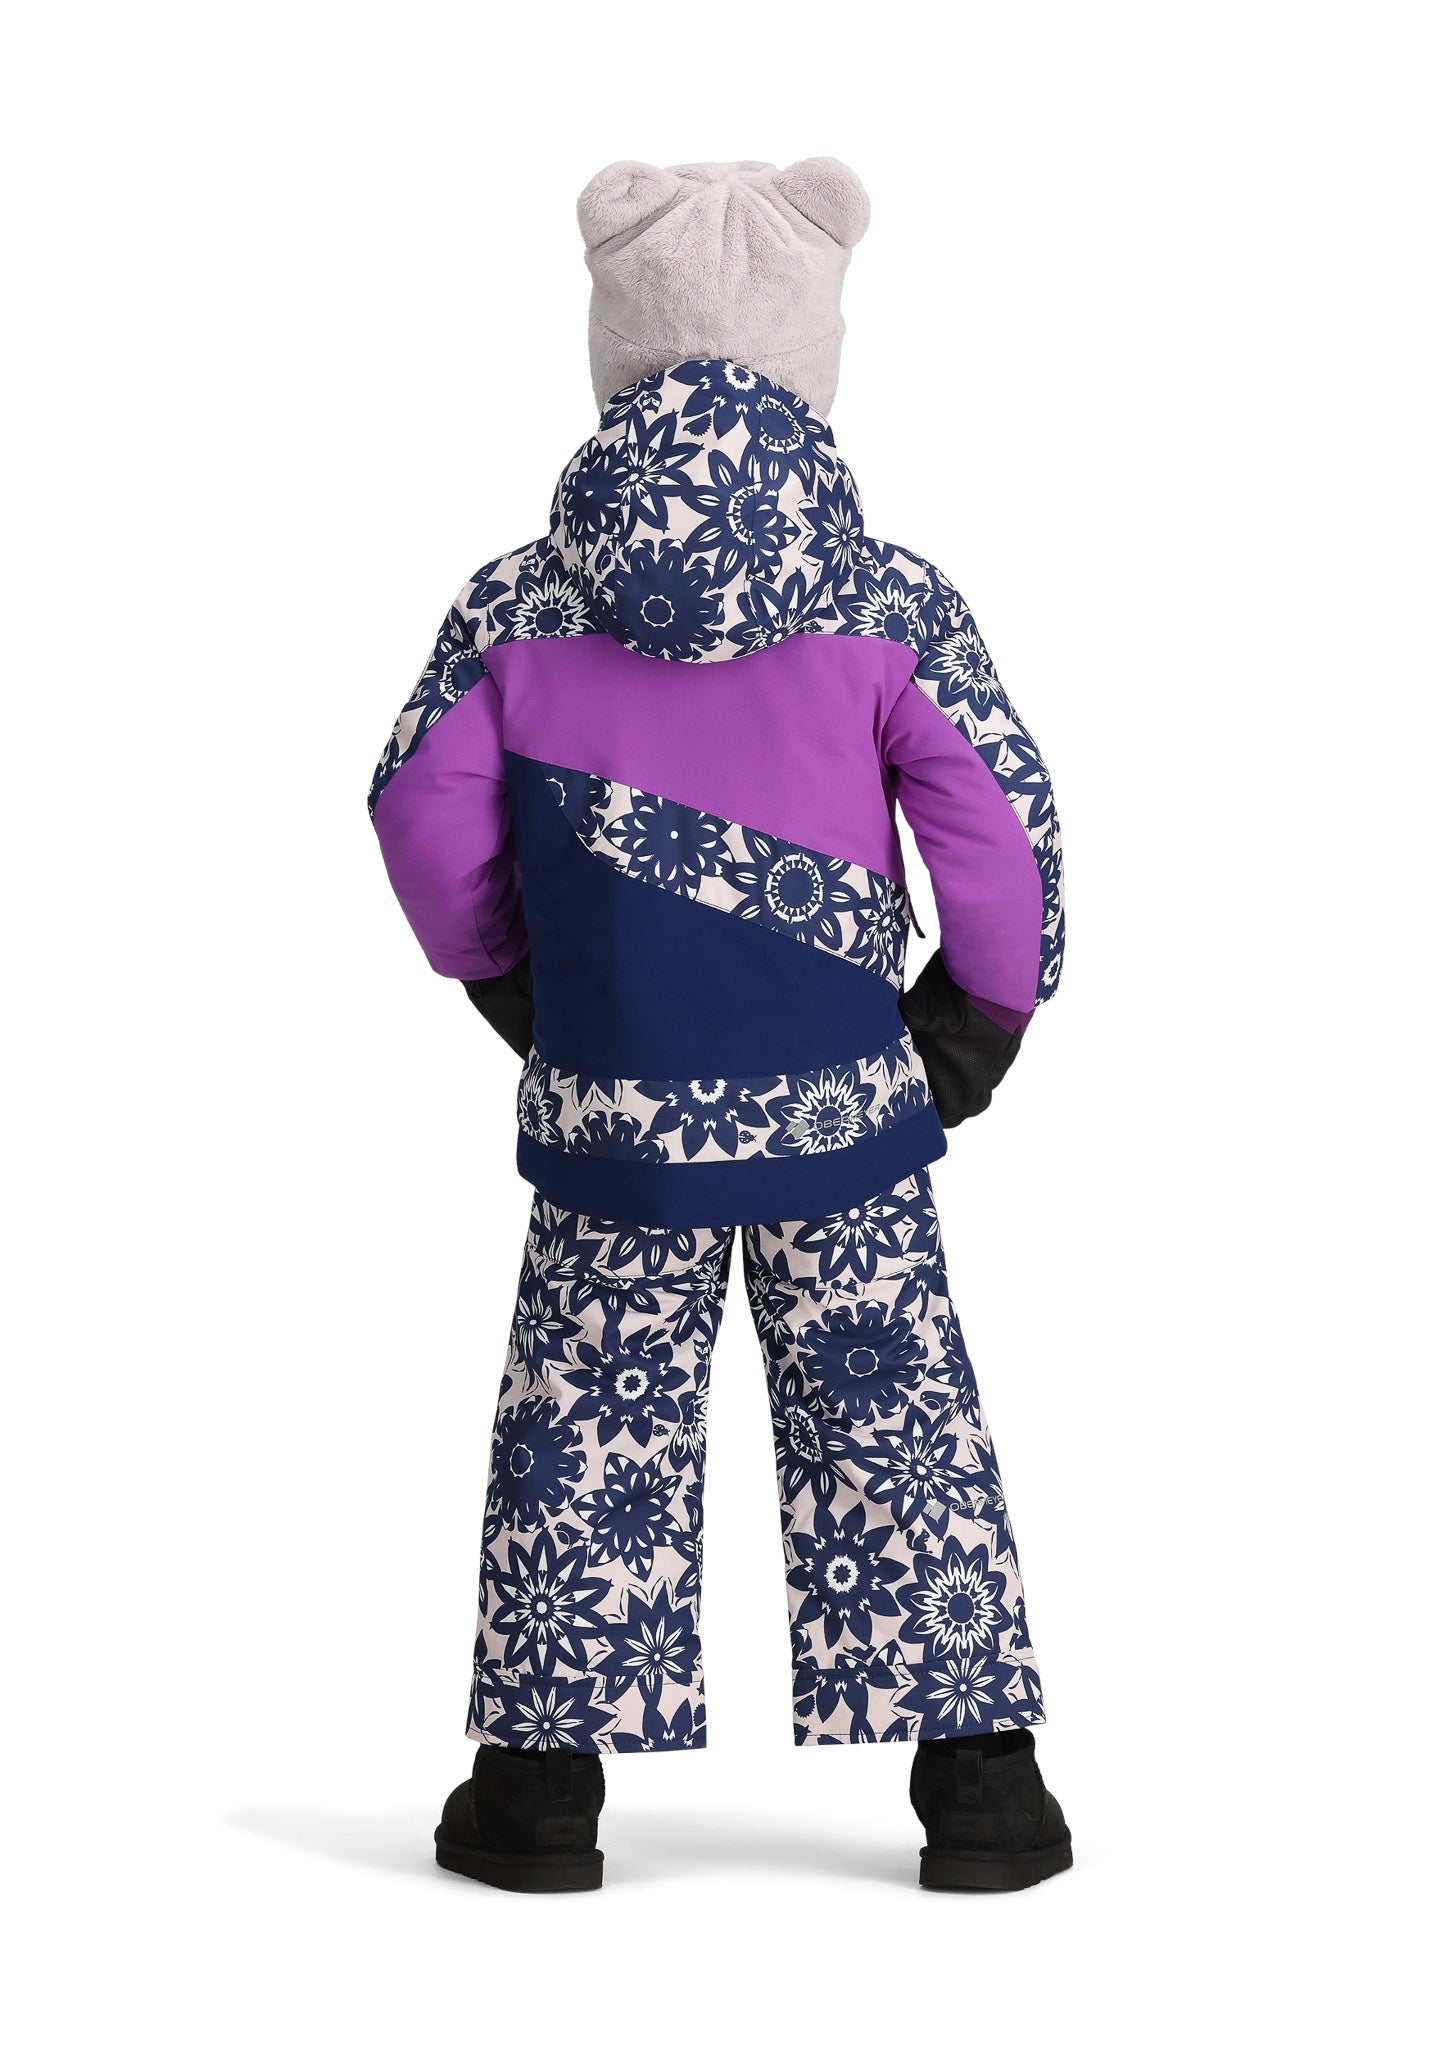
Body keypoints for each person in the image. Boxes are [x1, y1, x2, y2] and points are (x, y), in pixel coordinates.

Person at [367, 158, 1071, 1892]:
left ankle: (539, 1798)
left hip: (613, 1110)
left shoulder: (518, 604)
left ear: (614, 344)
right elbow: (1001, 829)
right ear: (816, 349)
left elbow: (416, 813)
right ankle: (983, 1793)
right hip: (845, 1109)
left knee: (585, 1421)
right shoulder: (888, 599)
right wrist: (973, 1025)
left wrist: (521, 990)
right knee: (893, 1416)